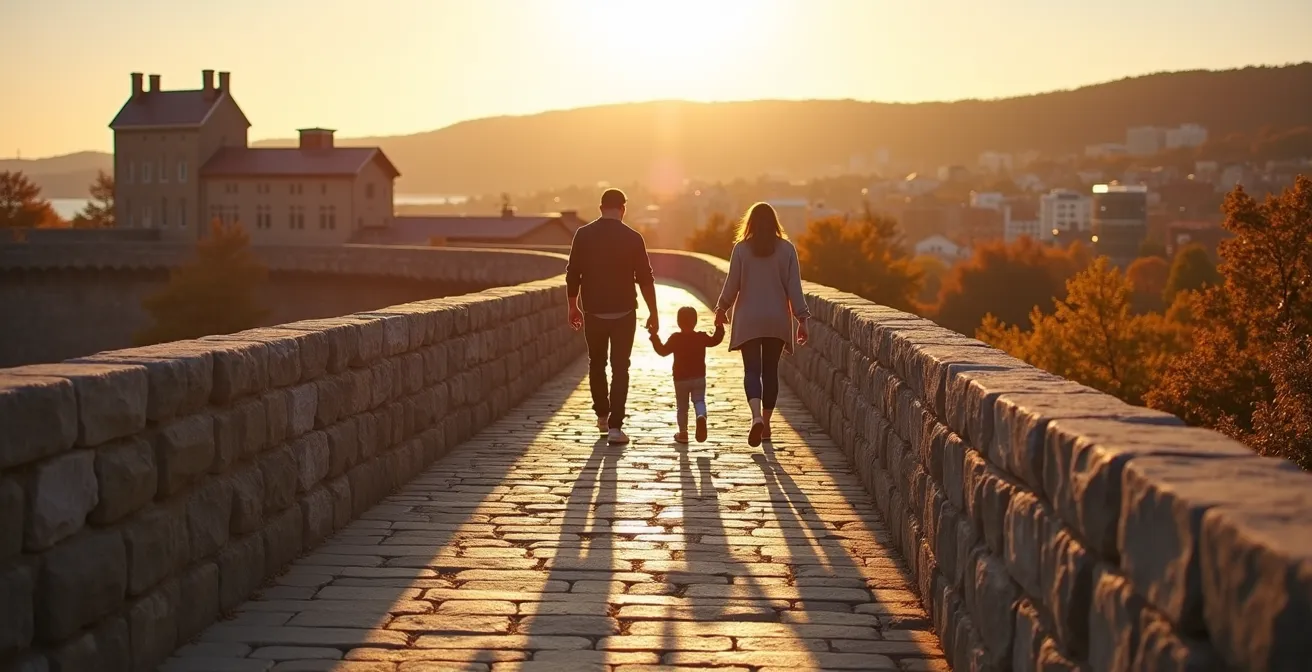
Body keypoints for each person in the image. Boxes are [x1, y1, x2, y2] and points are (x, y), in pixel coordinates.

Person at [566, 188, 659, 445]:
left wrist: (573, 306)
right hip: (624, 312)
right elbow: (645, 278)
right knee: (621, 368)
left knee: (596, 363)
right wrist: (653, 311)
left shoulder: (583, 235)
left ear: (600, 208)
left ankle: (602, 416)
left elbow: (573, 273)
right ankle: (616, 428)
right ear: (623, 209)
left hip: (594, 311)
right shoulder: (633, 237)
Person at [714, 202, 810, 447]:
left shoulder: (741, 250)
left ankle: (755, 416)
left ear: (750, 223)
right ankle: (766, 425)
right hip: (776, 319)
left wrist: (721, 308)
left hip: (748, 318)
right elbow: (794, 288)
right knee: (770, 373)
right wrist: (802, 319)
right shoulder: (787, 250)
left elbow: (732, 284)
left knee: (752, 371)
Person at [650, 306, 725, 444]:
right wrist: (719, 327)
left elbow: (662, 351)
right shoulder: (701, 337)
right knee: (699, 400)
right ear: (695, 321)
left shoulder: (675, 338)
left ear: (678, 322)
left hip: (680, 379)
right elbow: (715, 340)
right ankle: (701, 415)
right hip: (698, 377)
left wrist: (654, 336)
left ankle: (683, 433)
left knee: (682, 407)